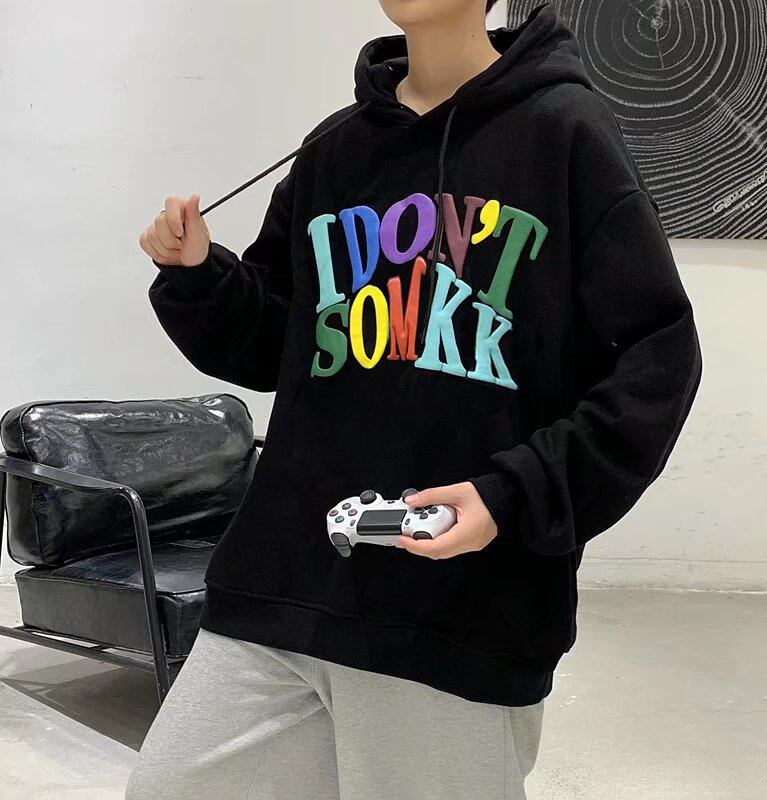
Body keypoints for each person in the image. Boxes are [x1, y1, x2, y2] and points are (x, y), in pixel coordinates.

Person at [129, 0, 702, 797]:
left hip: (457, 604)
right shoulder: (335, 148)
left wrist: (516, 495)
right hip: (285, 575)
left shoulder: (566, 134)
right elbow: (275, 343)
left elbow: (658, 357)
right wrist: (200, 275)